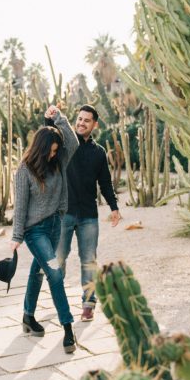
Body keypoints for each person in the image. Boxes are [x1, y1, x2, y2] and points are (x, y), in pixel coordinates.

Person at [8, 104, 79, 353]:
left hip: (55, 225)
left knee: (38, 272)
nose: (53, 155)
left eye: (56, 151)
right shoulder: (24, 171)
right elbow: (20, 207)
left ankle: (28, 316)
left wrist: (58, 118)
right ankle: (68, 328)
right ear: (40, 149)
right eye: (50, 151)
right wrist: (16, 237)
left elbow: (73, 142)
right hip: (34, 231)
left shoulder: (58, 162)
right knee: (55, 273)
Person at [53, 105, 120, 321]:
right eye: (79, 119)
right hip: (64, 213)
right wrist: (50, 118)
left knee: (89, 260)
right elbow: (47, 138)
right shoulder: (64, 145)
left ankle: (88, 304)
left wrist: (114, 207)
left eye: (87, 120)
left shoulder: (99, 152)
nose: (81, 123)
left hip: (88, 215)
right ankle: (58, 300)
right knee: (59, 259)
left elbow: (106, 183)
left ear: (95, 125)